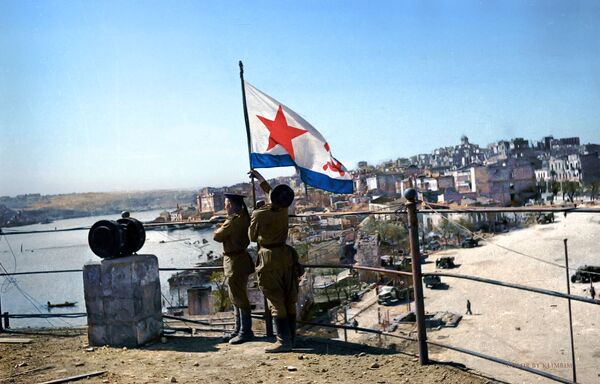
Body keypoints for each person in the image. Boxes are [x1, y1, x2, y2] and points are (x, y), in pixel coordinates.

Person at [248, 169, 300, 353]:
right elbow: (271, 192)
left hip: (269, 259)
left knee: (275, 300)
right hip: (286, 256)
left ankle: (283, 341)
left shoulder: (260, 214)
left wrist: (256, 212)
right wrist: (260, 179)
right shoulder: (284, 208)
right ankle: (292, 338)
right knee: (289, 298)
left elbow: (252, 237)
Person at [213, 193, 255, 344]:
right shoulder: (242, 217)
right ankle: (238, 330)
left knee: (238, 296)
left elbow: (217, 236)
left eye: (225, 204)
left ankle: (245, 331)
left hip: (234, 261)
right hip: (240, 259)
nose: (224, 206)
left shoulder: (233, 221)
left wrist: (221, 224)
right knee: (235, 296)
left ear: (229, 205)